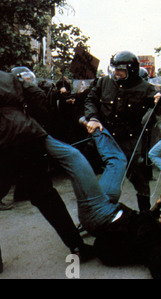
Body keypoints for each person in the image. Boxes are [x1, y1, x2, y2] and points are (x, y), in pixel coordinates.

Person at [45, 125, 161, 279]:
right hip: (111, 208)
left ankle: (37, 136)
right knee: (118, 160)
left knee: (74, 158)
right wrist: (157, 206)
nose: (160, 217)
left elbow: (159, 272)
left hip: (100, 216)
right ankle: (94, 123)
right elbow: (144, 222)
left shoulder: (159, 244)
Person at [0, 70, 94, 261]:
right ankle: (77, 246)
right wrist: (33, 121)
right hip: (25, 136)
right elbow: (37, 95)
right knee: (44, 194)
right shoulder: (8, 76)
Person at [84, 50, 157, 211]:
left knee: (140, 179)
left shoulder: (146, 89)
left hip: (130, 140)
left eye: (120, 70)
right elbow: (90, 100)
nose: (116, 73)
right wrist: (93, 118)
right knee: (91, 178)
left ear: (131, 70)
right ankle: (95, 214)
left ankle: (146, 216)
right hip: (105, 137)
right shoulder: (104, 82)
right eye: (114, 69)